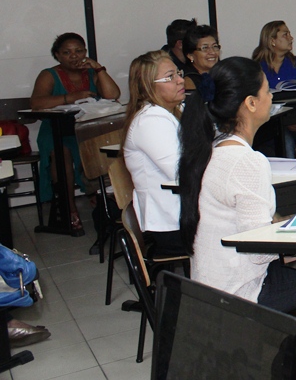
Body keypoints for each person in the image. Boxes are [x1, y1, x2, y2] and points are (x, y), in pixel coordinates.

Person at [178, 57, 296, 380]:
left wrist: (285, 230)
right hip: (243, 290)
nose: (272, 97)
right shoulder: (246, 161)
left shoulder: (210, 149)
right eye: (268, 91)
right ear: (251, 103)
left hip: (210, 283)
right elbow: (259, 251)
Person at [29, 32, 121, 234]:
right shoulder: (49, 74)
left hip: (86, 129)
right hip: (56, 132)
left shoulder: (91, 72)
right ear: (57, 55)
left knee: (106, 147)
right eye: (67, 52)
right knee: (62, 153)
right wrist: (70, 97)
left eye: (79, 51)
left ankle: (104, 199)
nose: (74, 56)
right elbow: (36, 103)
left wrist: (99, 68)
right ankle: (69, 207)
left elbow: (113, 95)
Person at [121, 50, 188, 256]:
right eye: (170, 77)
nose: (180, 81)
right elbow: (181, 173)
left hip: (181, 216)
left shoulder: (172, 111)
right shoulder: (151, 120)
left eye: (178, 73)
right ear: (148, 86)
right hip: (169, 224)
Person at [253, 20, 296, 158]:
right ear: (272, 40)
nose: (291, 38)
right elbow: (255, 103)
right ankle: (290, 179)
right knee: (284, 142)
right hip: (270, 124)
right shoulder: (257, 67)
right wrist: (287, 124)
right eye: (285, 34)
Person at [182, 24, 220, 91]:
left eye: (215, 46)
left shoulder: (223, 75)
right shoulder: (188, 82)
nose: (212, 52)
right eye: (204, 48)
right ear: (190, 56)